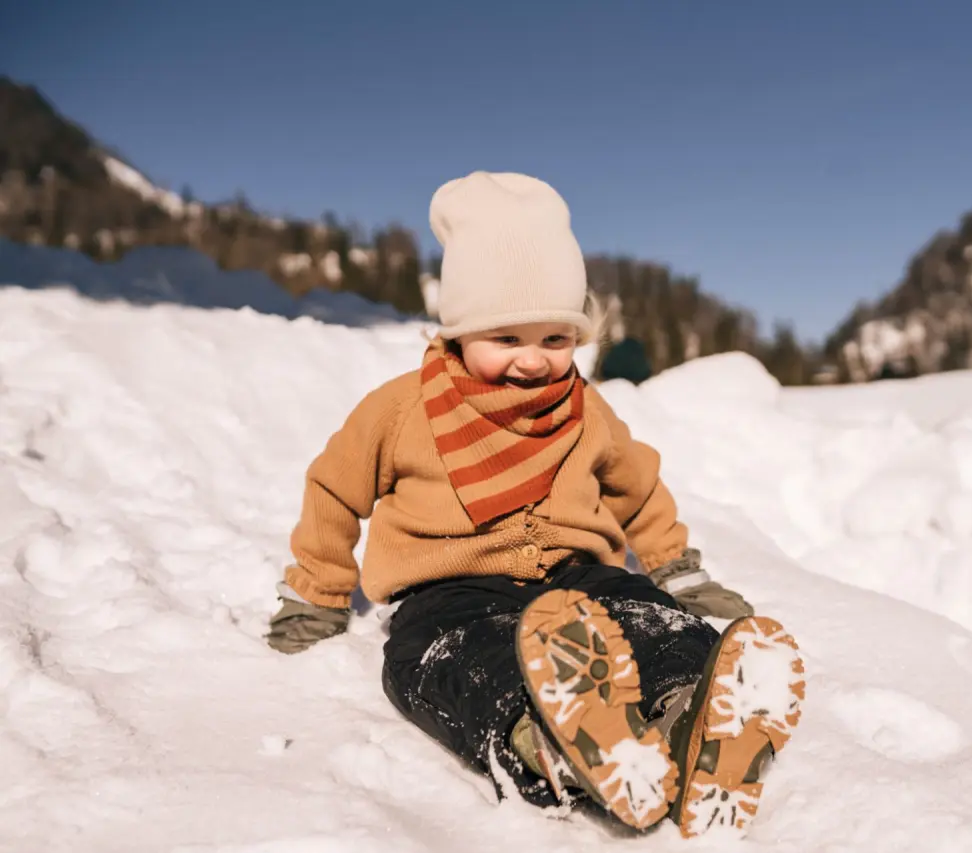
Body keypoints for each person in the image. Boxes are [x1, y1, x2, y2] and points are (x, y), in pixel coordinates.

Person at [265, 171, 805, 839]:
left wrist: (677, 570)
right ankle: (547, 741)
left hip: (576, 576)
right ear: (459, 331)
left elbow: (638, 487)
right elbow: (333, 489)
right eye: (507, 338)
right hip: (450, 586)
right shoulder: (405, 409)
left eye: (555, 339)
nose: (534, 362)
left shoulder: (585, 409)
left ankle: (690, 718)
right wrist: (317, 593)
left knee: (651, 619)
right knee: (440, 656)